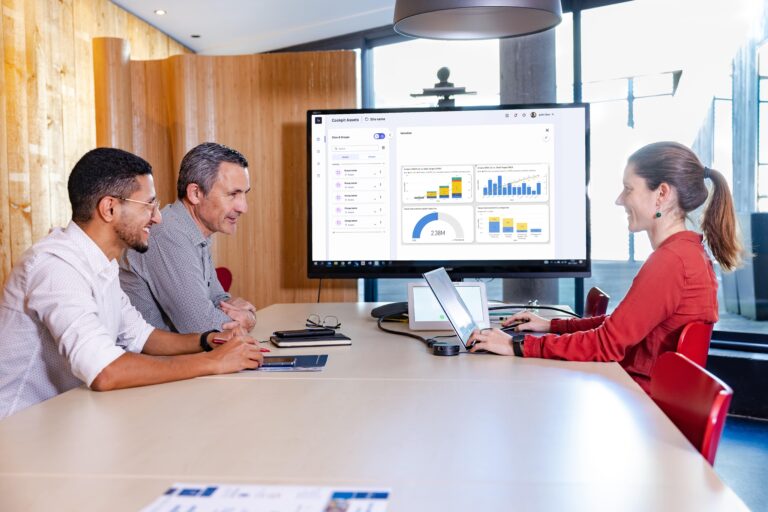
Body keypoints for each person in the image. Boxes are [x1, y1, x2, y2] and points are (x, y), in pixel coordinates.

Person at [0, 148, 263, 419]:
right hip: (19, 429)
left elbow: (141, 336)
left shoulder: (102, 263)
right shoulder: (55, 267)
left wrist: (209, 340)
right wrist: (212, 362)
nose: (158, 217)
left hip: (66, 418)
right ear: (109, 208)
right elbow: (104, 371)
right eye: (148, 205)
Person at [467, 141, 742, 393]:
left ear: (662, 194)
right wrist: (552, 325)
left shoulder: (672, 262)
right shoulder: (686, 254)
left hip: (639, 404)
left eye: (629, 189)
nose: (620, 199)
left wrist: (516, 344)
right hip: (638, 395)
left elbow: (607, 344)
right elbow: (621, 325)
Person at [119, 142, 256, 334]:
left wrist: (235, 313)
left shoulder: (193, 231)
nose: (243, 207)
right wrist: (248, 319)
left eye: (244, 194)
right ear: (195, 193)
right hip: (156, 362)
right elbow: (203, 328)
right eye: (233, 194)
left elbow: (220, 301)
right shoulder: (168, 233)